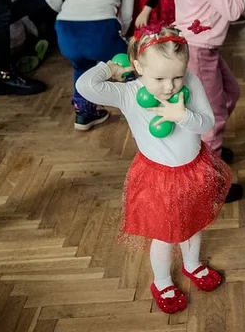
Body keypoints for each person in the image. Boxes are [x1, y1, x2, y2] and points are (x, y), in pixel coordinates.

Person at [78, 27, 231, 314]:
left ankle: (192, 265)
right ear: (138, 67)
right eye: (159, 78)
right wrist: (108, 67)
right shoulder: (128, 93)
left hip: (195, 170)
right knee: (164, 236)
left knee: (193, 225)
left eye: (177, 76)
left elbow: (207, 124)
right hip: (158, 179)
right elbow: (85, 87)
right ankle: (162, 281)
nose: (169, 86)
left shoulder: (191, 82)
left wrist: (183, 116)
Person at [173, 0, 245, 198]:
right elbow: (233, 11)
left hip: (200, 47)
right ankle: (209, 183)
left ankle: (206, 147)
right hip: (200, 51)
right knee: (213, 118)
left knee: (231, 93)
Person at [46, 0, 152, 131]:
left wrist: (70, 13)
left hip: (66, 30)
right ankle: (145, 107)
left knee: (81, 66)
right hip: (101, 32)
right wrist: (118, 36)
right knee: (130, 64)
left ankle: (84, 114)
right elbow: (126, 18)